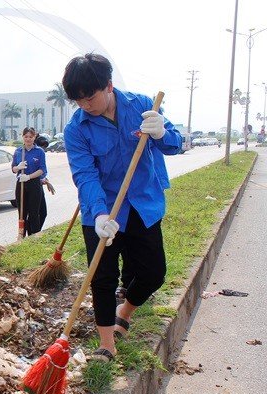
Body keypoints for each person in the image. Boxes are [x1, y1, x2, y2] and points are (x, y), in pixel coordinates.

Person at [62, 52, 181, 362]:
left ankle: (124, 311)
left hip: (141, 204)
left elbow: (175, 144)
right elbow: (85, 173)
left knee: (154, 273)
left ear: (109, 86)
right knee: (101, 277)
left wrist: (161, 132)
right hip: (101, 210)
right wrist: (99, 213)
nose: (85, 105)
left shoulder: (143, 106)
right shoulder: (77, 129)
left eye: (90, 96)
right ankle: (106, 345)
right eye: (78, 100)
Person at [12, 127, 47, 236]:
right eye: (26, 137)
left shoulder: (39, 151)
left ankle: (34, 236)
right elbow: (13, 168)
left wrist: (28, 177)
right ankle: (22, 236)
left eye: (30, 137)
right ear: (22, 137)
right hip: (21, 184)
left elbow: (42, 170)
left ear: (34, 137)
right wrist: (18, 168)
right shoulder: (18, 151)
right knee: (22, 213)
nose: (28, 139)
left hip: (34, 184)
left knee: (34, 213)